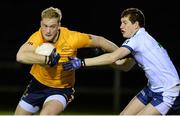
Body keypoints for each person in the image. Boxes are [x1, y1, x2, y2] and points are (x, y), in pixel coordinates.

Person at [62, 8, 180, 115]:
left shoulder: (137, 39)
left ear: (136, 25)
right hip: (152, 88)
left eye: (125, 23)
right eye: (121, 22)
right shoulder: (142, 40)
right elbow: (125, 66)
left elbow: (113, 57)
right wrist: (105, 57)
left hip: (167, 91)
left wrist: (81, 62)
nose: (121, 26)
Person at [15, 6, 119, 115]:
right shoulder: (37, 37)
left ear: (59, 26)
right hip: (37, 85)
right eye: (45, 26)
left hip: (61, 89)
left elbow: (100, 40)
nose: (48, 31)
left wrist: (122, 52)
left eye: (52, 26)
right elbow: (20, 56)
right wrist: (47, 59)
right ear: (41, 24)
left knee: (46, 114)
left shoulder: (71, 38)